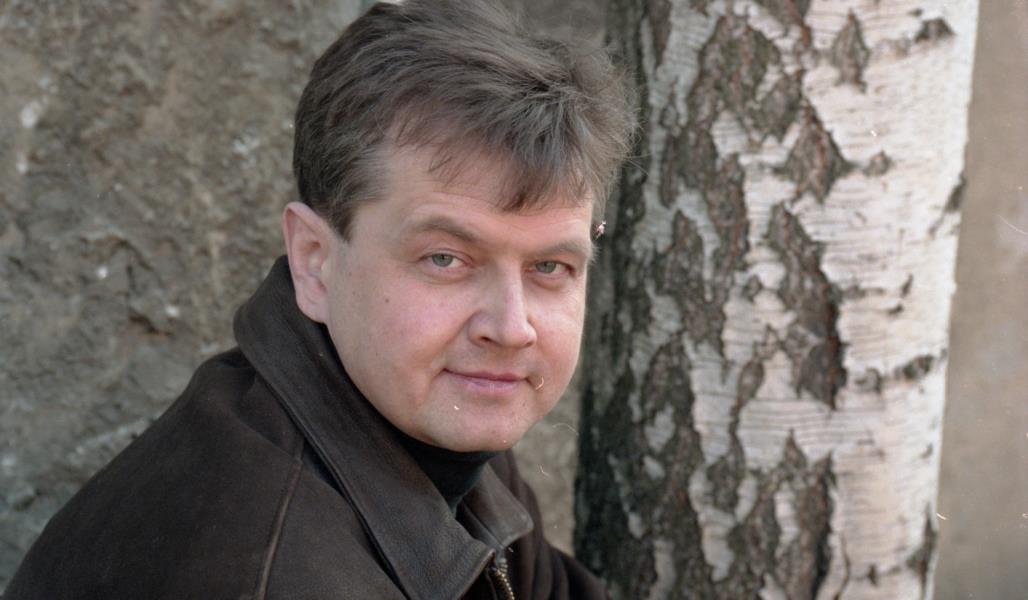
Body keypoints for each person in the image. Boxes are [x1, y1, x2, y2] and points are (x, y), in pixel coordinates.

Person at [5, 1, 633, 598]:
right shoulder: (270, 571)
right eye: (445, 259)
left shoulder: (442, 416)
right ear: (315, 261)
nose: (511, 327)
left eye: (550, 267)